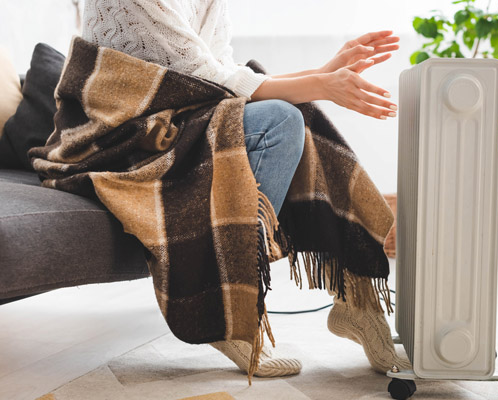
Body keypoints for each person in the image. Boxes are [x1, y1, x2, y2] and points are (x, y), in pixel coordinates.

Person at [82, 0, 409, 378]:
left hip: (180, 120)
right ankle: (227, 309)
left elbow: (225, 73)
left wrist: (323, 74)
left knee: (296, 113)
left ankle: (356, 299)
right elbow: (206, 79)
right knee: (281, 118)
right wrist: (320, 83)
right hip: (127, 136)